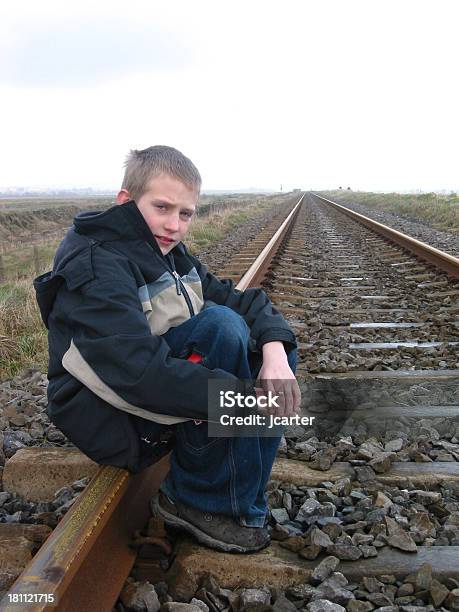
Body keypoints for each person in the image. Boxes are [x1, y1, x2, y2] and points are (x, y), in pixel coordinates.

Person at [34, 145, 300, 553]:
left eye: (185, 213)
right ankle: (198, 501)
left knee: (262, 348)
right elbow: (138, 373)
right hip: (110, 414)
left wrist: (276, 353)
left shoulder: (168, 253)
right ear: (127, 200)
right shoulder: (96, 265)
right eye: (162, 207)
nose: (174, 225)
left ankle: (231, 498)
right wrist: (247, 400)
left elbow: (239, 299)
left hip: (147, 393)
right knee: (224, 331)